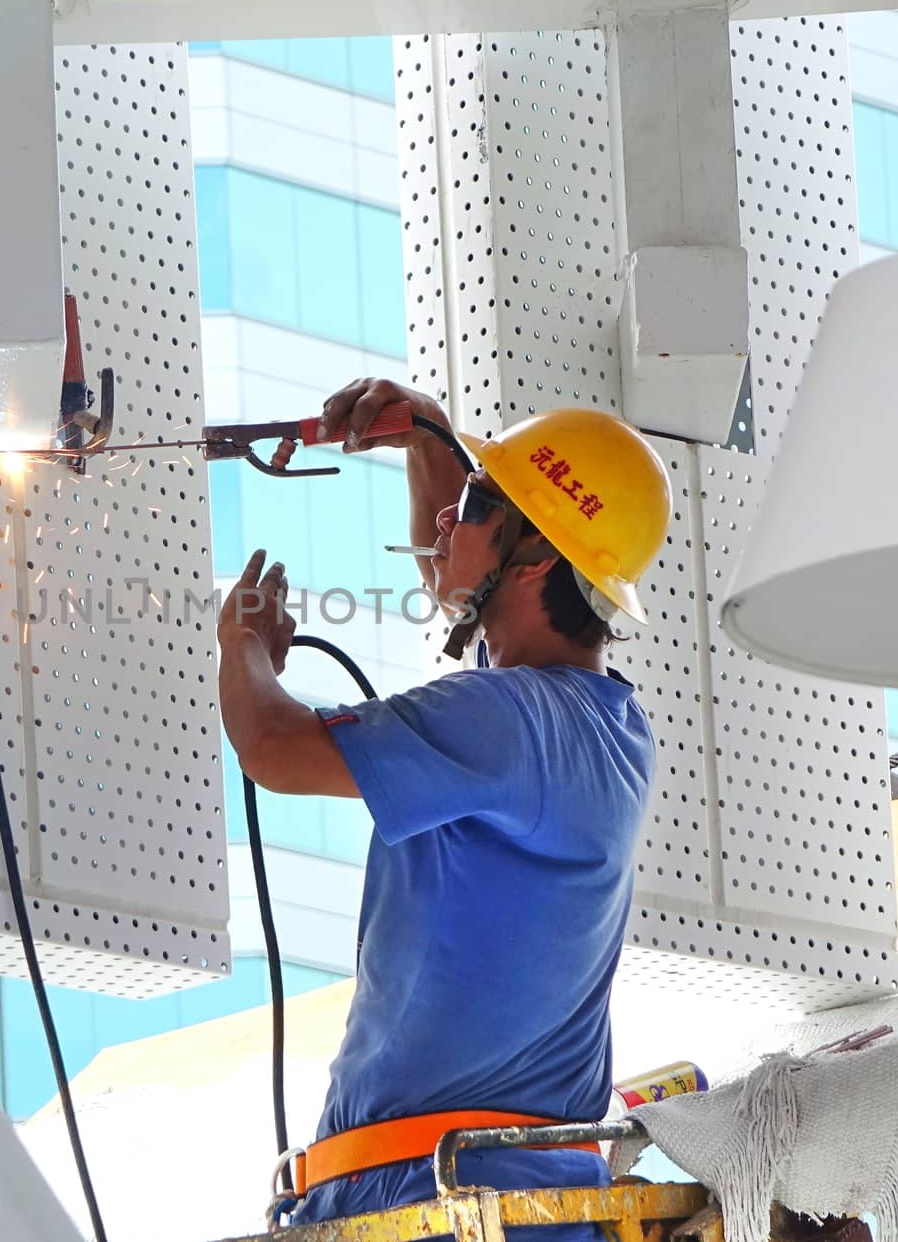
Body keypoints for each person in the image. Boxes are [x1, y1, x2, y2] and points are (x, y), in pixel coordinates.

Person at [215, 377, 673, 1234]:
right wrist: (431, 438)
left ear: (535, 560)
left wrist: (244, 646)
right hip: (504, 1194)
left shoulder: (508, 721)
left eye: (472, 504)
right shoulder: (606, 724)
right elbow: (454, 584)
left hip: (436, 1201)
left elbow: (272, 747)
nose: (443, 521)